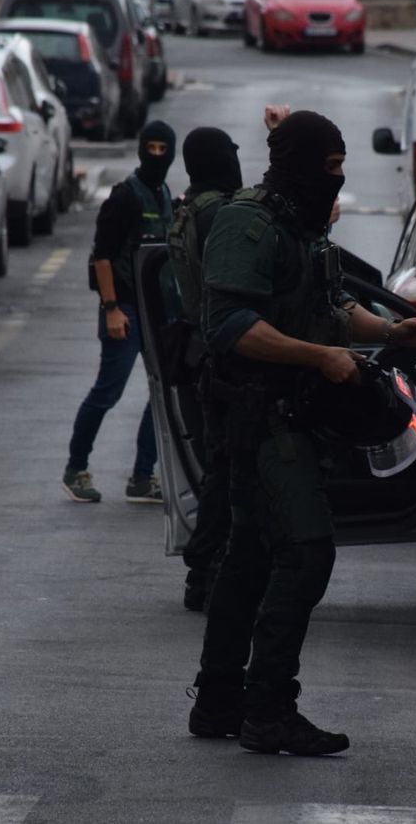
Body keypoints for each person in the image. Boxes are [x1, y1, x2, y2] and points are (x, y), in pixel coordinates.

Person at [185, 111, 416, 755]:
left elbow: (327, 306)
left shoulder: (303, 223)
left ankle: (219, 699)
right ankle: (269, 707)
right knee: (305, 552)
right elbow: (230, 324)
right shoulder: (247, 223)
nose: (340, 176)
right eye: (330, 166)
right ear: (300, 162)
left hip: (289, 411)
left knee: (248, 554)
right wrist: (319, 357)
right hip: (259, 415)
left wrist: (389, 330)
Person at [61, 121, 177, 504]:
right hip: (124, 309)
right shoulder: (125, 196)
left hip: (154, 311)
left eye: (164, 149)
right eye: (151, 147)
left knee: (163, 396)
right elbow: (103, 257)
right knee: (107, 392)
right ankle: (75, 468)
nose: (156, 155)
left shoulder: (163, 195)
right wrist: (111, 309)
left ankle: (143, 477)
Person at [168, 126, 245, 611]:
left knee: (227, 468)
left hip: (206, 352)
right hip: (226, 355)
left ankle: (212, 567)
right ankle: (206, 568)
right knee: (231, 472)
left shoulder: (191, 207)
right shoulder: (218, 214)